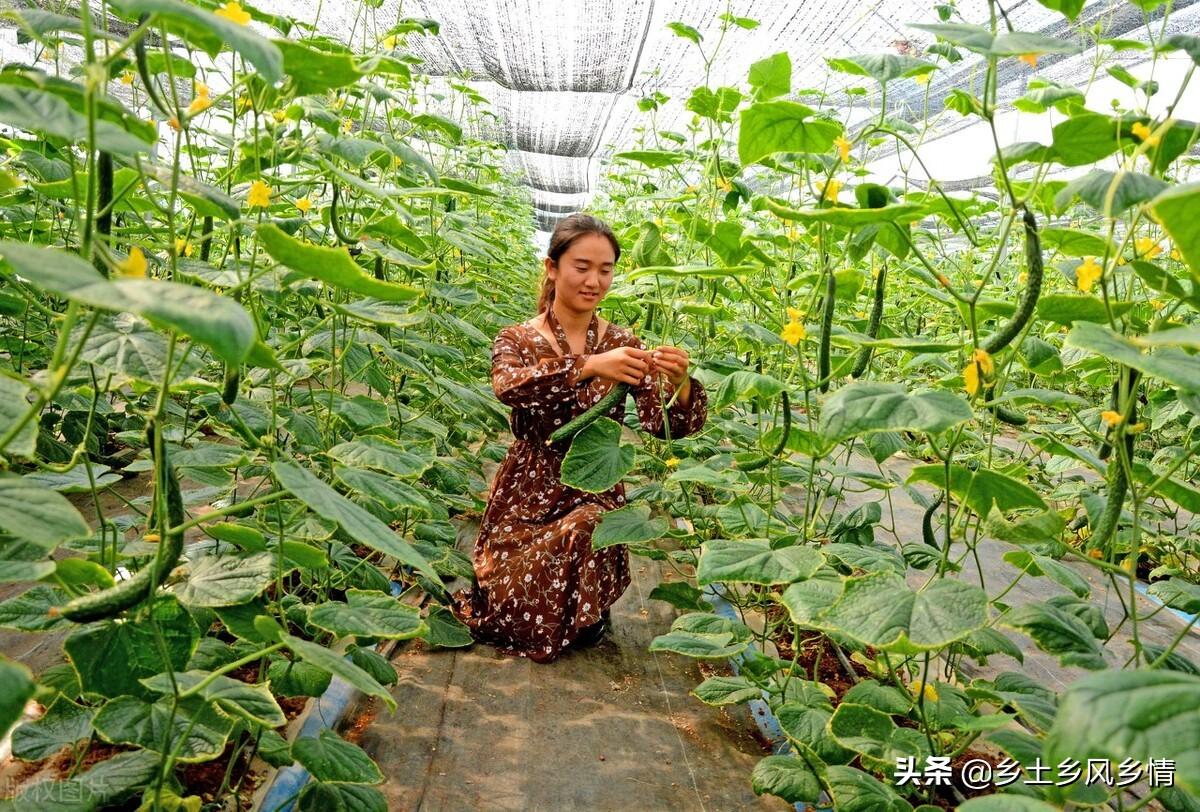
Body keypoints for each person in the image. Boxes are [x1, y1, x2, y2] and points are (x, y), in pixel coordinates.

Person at [449, 213, 708, 663]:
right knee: (507, 592)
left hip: (593, 484)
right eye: (582, 266)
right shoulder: (517, 337)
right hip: (527, 488)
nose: (594, 280)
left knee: (590, 524)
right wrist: (589, 366)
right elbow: (509, 385)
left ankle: (579, 609)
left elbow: (662, 426)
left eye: (605, 270)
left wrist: (681, 382)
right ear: (553, 267)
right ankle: (557, 605)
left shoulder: (624, 340)